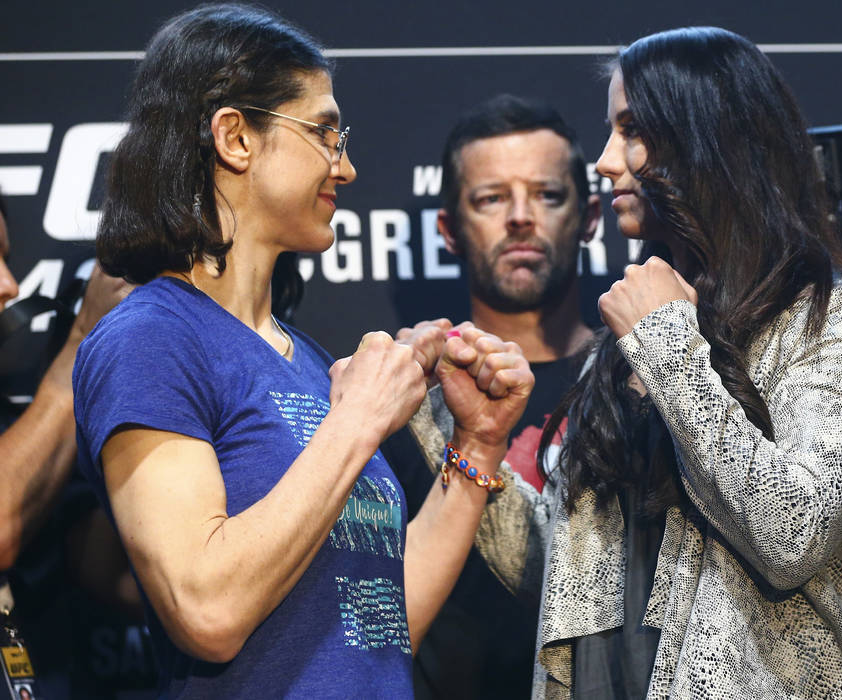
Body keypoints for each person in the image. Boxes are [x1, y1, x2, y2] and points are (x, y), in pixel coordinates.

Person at [403, 26, 842, 699]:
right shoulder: (620, 340)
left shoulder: (839, 317)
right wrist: (468, 438)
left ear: (708, 139)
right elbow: (565, 573)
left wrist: (668, 339)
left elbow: (795, 536)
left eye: (632, 130)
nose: (607, 161)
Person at [72, 4, 532, 698]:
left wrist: (480, 447)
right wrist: (357, 423)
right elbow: (207, 610)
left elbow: (381, 621)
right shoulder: (151, 339)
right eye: (323, 132)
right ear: (235, 138)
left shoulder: (311, 361)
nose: (345, 167)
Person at [382, 94, 599, 699]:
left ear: (591, 217)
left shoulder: (645, 378)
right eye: (491, 198)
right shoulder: (402, 397)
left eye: (548, 195)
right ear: (449, 230)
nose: (521, 218)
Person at [0, 193, 145, 698]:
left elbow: (105, 576)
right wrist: (84, 337)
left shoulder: (17, 423)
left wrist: (137, 378)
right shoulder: (42, 412)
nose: (11, 285)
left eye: (6, 258)